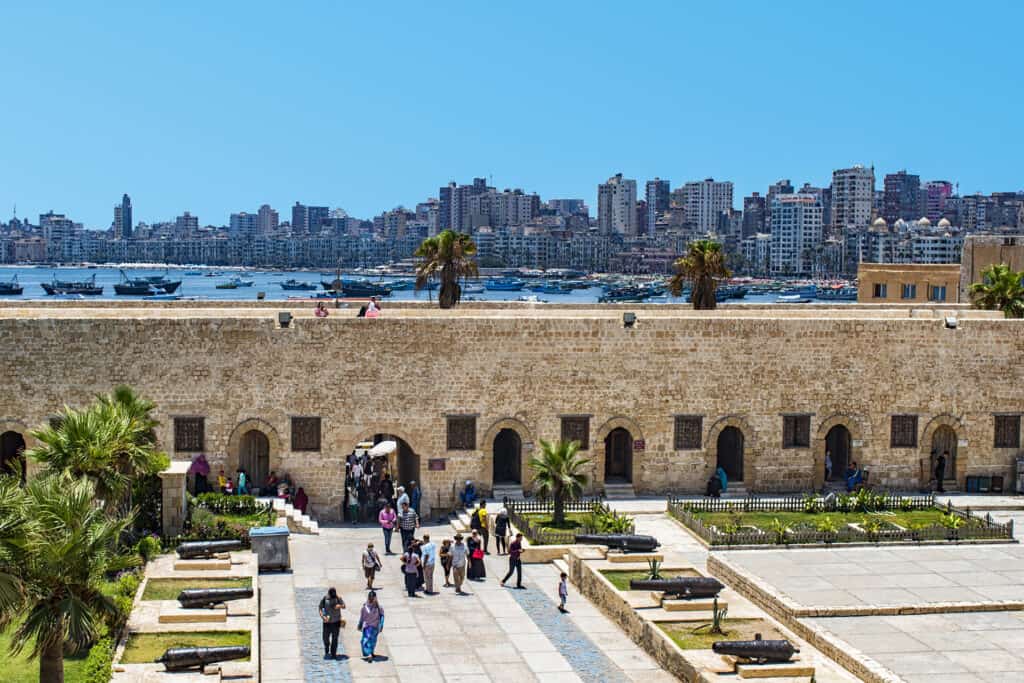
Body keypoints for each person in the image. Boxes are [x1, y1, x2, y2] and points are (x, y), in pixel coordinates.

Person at [318, 587, 345, 659]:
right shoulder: (325, 599)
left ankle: (333, 653)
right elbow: (320, 608)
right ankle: (327, 646)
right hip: (327, 622)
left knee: (335, 638)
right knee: (325, 637)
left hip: (336, 622)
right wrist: (323, 617)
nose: (333, 596)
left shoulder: (338, 598)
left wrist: (340, 606)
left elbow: (344, 606)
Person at [357, 591, 384, 662]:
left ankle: (369, 654)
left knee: (366, 641)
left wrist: (359, 625)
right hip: (373, 627)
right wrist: (381, 626)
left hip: (370, 627)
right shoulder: (377, 607)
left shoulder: (374, 607)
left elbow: (362, 618)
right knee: (371, 640)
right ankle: (370, 652)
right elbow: (382, 617)